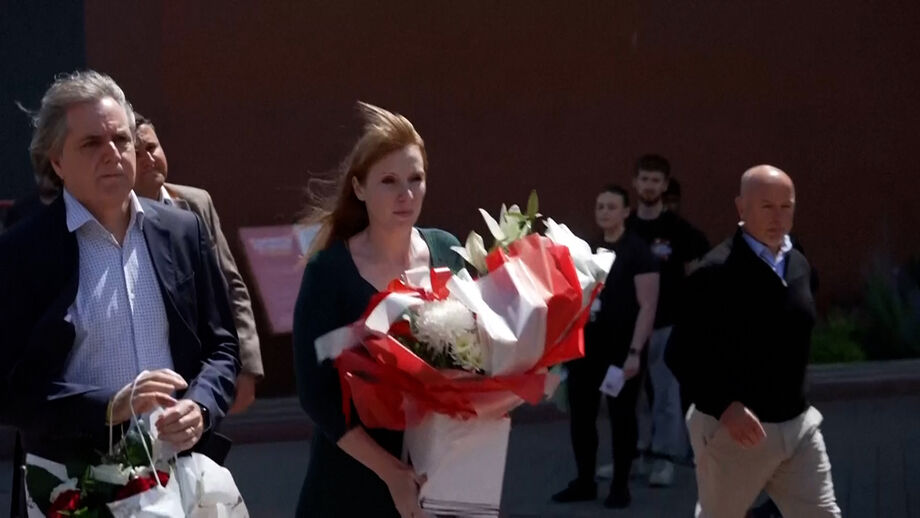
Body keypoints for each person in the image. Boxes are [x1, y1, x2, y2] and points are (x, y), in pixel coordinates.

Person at [0, 71, 240, 516]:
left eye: (122, 139)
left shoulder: (182, 231)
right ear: (57, 160)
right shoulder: (21, 252)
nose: (113, 153)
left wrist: (201, 408)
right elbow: (10, 389)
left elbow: (223, 347)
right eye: (91, 144)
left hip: (181, 480)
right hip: (73, 486)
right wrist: (108, 407)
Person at [292, 102, 466, 517]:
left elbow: (484, 362)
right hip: (352, 481)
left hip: (443, 472)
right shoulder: (328, 273)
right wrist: (392, 474)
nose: (406, 195)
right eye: (388, 181)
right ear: (359, 188)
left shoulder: (450, 252)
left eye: (416, 179)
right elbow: (317, 397)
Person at [666, 165, 841, 517]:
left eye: (786, 206)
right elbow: (680, 352)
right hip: (735, 435)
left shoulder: (799, 264)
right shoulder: (715, 273)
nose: (778, 217)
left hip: (798, 428)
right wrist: (725, 406)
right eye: (766, 207)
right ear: (741, 208)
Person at [133, 112, 263, 414]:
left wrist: (247, 365)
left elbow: (230, 285)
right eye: (137, 154)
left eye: (152, 148)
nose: (148, 159)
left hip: (202, 370)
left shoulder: (195, 203)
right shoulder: (118, 217)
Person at [552, 185, 659, 508]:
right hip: (587, 350)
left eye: (612, 207)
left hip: (621, 349)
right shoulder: (589, 249)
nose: (605, 212)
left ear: (626, 211)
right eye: (600, 207)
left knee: (622, 417)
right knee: (581, 418)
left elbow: (648, 305)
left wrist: (635, 352)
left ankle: (620, 486)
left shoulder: (638, 251)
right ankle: (585, 481)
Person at [627, 154, 709, 486]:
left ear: (664, 185)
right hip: (629, 328)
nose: (649, 186)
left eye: (655, 180)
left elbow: (700, 266)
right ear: (635, 183)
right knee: (626, 399)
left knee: (666, 397)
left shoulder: (679, 230)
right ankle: (629, 459)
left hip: (667, 325)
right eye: (643, 179)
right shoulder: (625, 226)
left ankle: (664, 461)